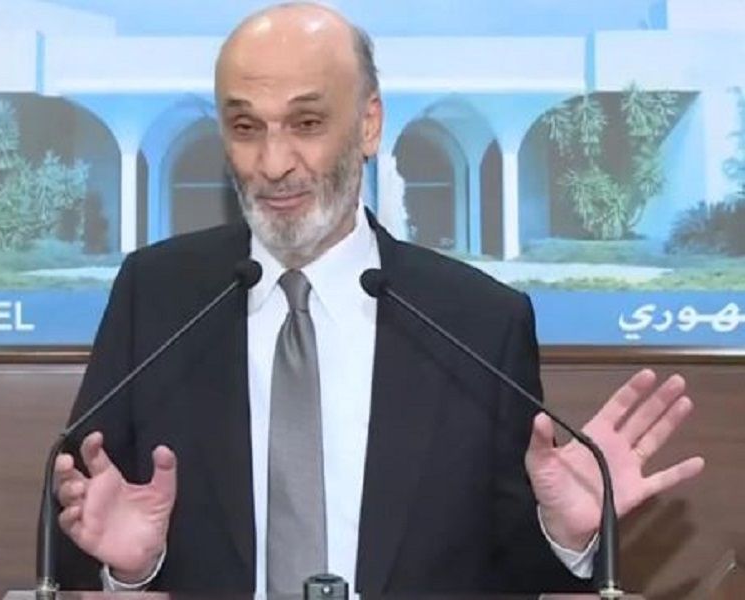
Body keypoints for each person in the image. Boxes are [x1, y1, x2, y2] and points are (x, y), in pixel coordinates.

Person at [51, 2, 704, 594]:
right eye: (246, 126)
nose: (273, 163)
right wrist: (129, 571)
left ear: (368, 125)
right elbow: (78, 528)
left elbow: (508, 573)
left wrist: (563, 535)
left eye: (307, 122)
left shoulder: (478, 322)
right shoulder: (157, 297)